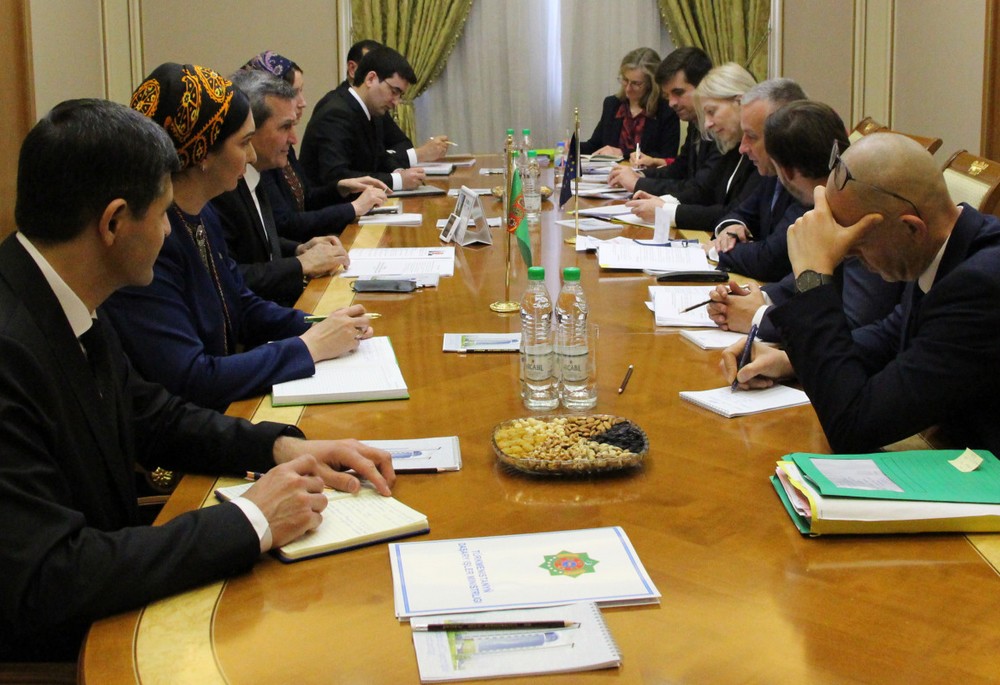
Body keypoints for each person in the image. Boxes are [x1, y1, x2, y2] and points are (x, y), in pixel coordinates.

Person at [0, 97, 395, 662]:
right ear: (113, 223)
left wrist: (282, 447)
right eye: (163, 214)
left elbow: (153, 416)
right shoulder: (11, 346)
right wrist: (252, 518)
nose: (170, 232)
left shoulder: (63, 293)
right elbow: (49, 576)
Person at [102, 63, 373, 411]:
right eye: (244, 143)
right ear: (202, 152)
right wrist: (309, 347)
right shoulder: (149, 238)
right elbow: (193, 378)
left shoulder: (203, 212)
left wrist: (323, 324)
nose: (252, 156)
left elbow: (240, 304)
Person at [723, 132, 1000, 454]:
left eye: (857, 244)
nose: (847, 255)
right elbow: (890, 338)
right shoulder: (946, 247)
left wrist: (812, 277)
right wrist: (790, 360)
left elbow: (854, 426)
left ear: (911, 228)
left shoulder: (981, 284)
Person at [705, 101, 904, 339]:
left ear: (785, 172)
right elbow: (811, 278)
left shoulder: (860, 213)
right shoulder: (832, 201)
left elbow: (854, 325)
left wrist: (760, 317)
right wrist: (759, 297)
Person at [213, 70, 351, 306]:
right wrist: (300, 265)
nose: (294, 139)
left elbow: (262, 244)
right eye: (285, 127)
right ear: (249, 129)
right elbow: (228, 278)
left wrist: (299, 249)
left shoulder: (258, 172)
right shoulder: (221, 190)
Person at [242, 51, 388, 241]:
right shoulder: (264, 155)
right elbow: (284, 224)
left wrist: (340, 188)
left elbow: (306, 198)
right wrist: (353, 208)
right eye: (295, 92)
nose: (303, 102)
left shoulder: (282, 144)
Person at [625, 62, 761, 231]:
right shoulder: (733, 144)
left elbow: (734, 213)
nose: (707, 124)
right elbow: (708, 194)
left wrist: (665, 211)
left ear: (740, 102)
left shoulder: (764, 151)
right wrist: (664, 202)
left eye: (711, 112)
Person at [701, 78, 808, 282]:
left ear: (784, 134)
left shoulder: (808, 183)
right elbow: (740, 212)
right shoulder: (772, 174)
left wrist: (718, 250)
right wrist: (731, 229)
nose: (742, 147)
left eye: (751, 136)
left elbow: (769, 261)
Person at [299, 46, 426, 191]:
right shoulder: (335, 113)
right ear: (371, 79)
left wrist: (400, 172)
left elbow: (380, 157)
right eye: (394, 91)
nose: (396, 102)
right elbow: (338, 177)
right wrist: (398, 181)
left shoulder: (373, 111)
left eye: (400, 95)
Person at [607, 47, 716, 195]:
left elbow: (700, 190)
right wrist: (639, 175)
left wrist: (638, 183)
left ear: (704, 86)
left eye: (678, 93)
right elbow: (679, 170)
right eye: (667, 95)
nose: (671, 103)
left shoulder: (719, 127)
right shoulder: (695, 121)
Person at [330, 39, 451, 166]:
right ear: (370, 77)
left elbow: (401, 145)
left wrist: (388, 159)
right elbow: (348, 170)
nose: (396, 102)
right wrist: (417, 155)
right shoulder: (337, 111)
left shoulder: (374, 106)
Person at [578, 47, 679, 161]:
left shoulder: (666, 110)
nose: (628, 88)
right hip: (611, 171)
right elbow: (595, 145)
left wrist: (623, 153)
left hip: (645, 172)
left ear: (651, 84)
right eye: (625, 80)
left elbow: (667, 158)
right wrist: (572, 146)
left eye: (636, 83)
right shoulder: (612, 105)